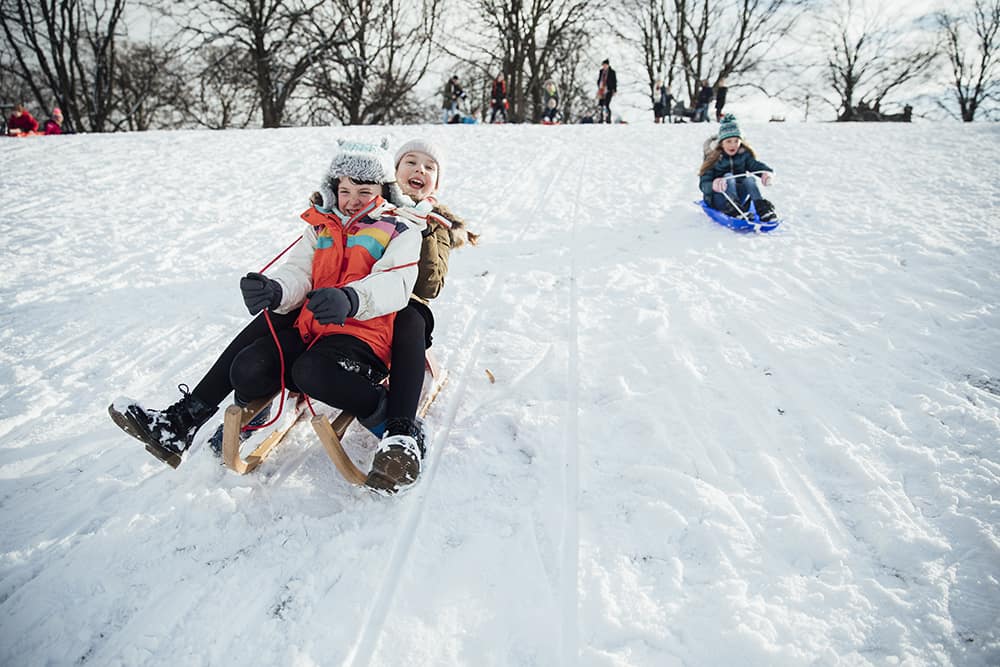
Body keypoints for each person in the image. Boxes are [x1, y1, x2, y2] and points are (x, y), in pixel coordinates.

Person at [110, 139, 477, 494]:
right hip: (324, 311)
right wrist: (275, 289)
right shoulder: (326, 221)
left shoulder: (416, 223)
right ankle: (186, 420)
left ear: (382, 187)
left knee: (398, 326)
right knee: (256, 350)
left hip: (380, 313)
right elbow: (301, 270)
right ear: (394, 172)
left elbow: (418, 284)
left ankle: (399, 428)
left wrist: (421, 229)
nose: (419, 170)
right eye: (411, 162)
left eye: (429, 167)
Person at [698, 114, 778, 222]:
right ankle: (733, 209)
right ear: (721, 143)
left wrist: (766, 173)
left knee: (749, 179)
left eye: (736, 141)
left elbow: (756, 165)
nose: (733, 145)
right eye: (729, 141)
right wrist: (713, 185)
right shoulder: (714, 158)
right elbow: (703, 184)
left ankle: (761, 208)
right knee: (728, 176)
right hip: (720, 198)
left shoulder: (743, 155)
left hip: (740, 199)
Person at [597, 59, 617, 124]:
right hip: (601, 89)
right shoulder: (601, 71)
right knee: (600, 105)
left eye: (605, 65)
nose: (604, 66)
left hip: (609, 90)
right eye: (603, 65)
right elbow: (599, 79)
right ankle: (601, 118)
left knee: (606, 104)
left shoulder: (612, 72)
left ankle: (608, 119)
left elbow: (614, 81)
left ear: (608, 65)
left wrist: (614, 90)